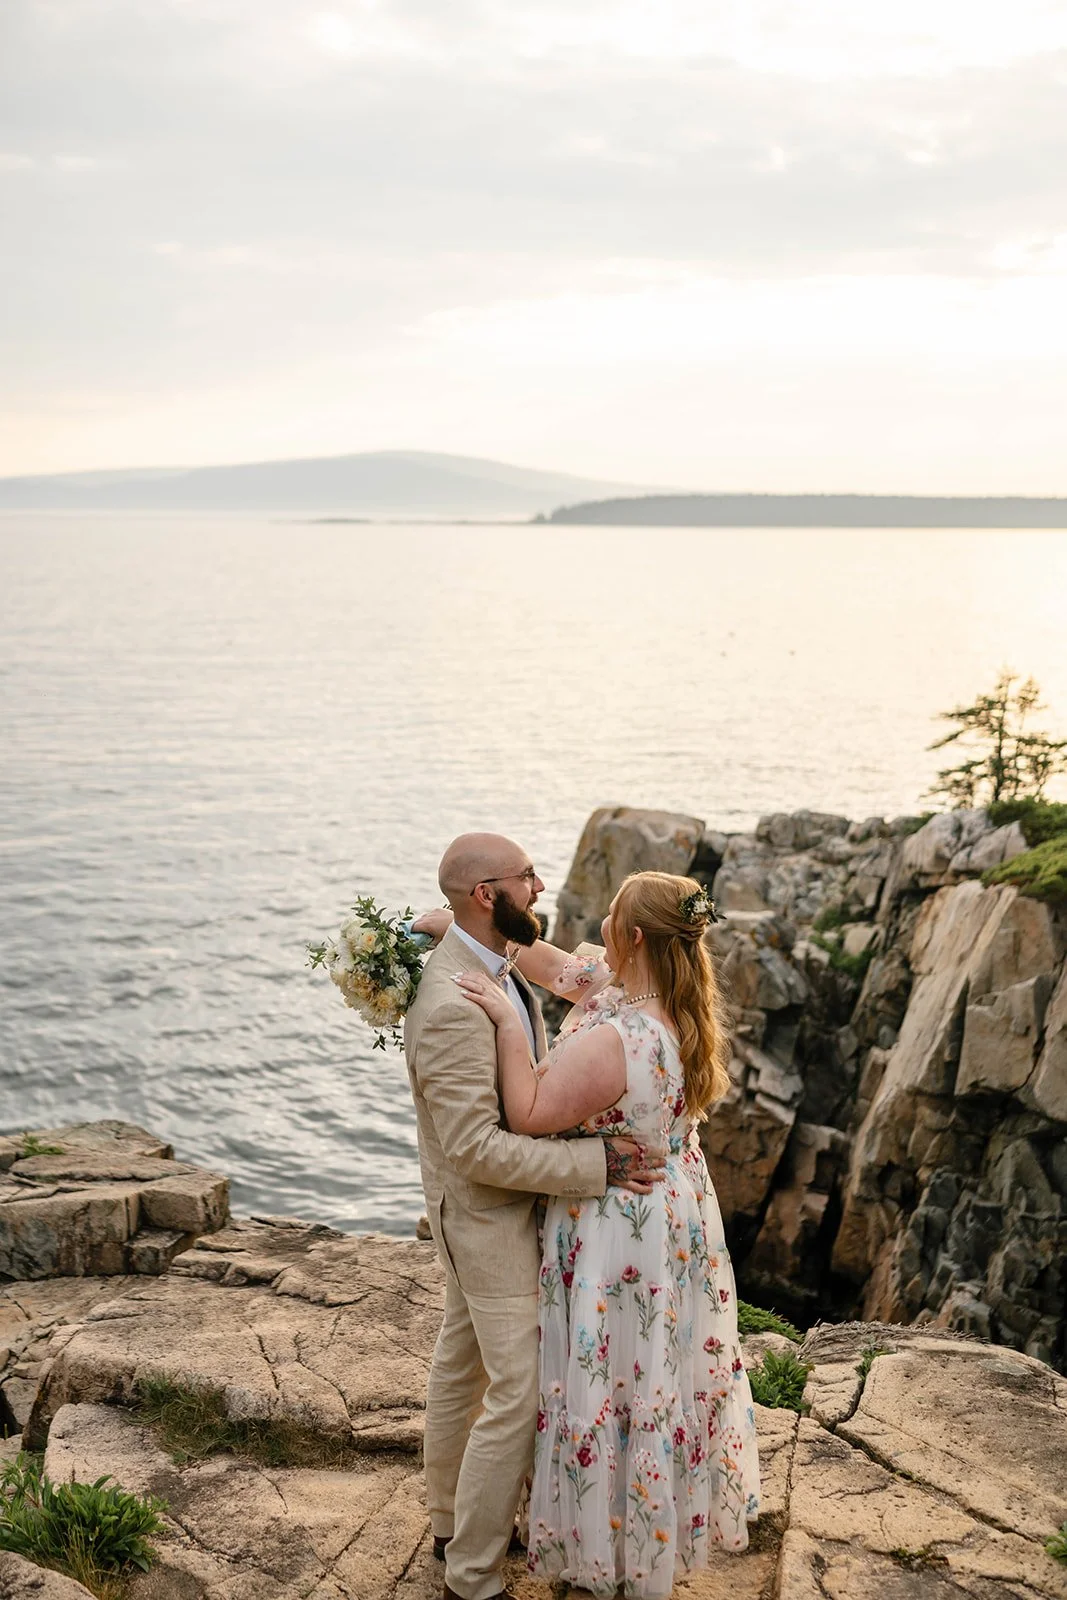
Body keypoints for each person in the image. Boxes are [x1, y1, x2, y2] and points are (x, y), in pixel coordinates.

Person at [454, 869, 760, 1600]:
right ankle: (634, 1530)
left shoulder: (618, 1037)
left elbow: (527, 1112)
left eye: (609, 917)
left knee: (606, 1378)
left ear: (630, 936)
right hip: (670, 1217)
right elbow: (559, 966)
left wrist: (503, 1021)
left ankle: (603, 1549)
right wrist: (457, 930)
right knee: (645, 1373)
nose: (597, 929)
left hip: (613, 1229)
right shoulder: (673, 1004)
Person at [405, 834, 665, 1600]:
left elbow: (546, 967)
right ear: (488, 894)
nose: (542, 884)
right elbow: (476, 1149)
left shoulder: (493, 960)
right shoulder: (453, 1002)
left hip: (483, 1216)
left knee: (461, 1368)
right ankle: (475, 1576)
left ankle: (450, 1520)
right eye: (527, 877)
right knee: (515, 1395)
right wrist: (597, 1166)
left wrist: (437, 922)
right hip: (484, 1218)